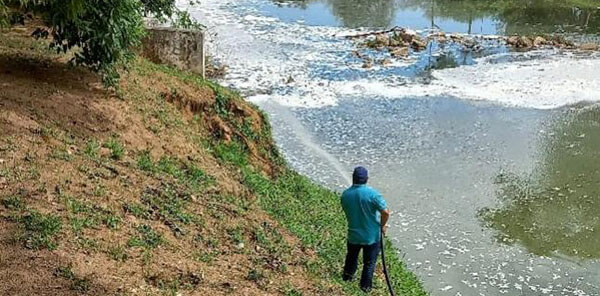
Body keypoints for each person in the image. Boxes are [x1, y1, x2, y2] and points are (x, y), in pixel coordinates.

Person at [341, 166, 390, 293]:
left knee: (351, 257)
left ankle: (346, 279)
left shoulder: (345, 195)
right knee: (369, 263)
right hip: (371, 236)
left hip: (354, 235)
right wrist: (382, 225)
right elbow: (385, 212)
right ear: (367, 179)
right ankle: (365, 287)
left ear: (353, 178)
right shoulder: (373, 195)